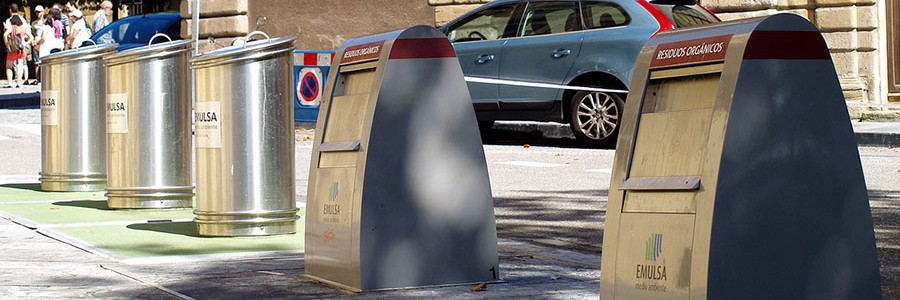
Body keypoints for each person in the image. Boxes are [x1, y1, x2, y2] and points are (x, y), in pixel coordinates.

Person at [4, 6, 31, 88]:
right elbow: (31, 37)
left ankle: (10, 83)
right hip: (21, 48)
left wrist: (7, 44)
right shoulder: (23, 27)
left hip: (12, 48)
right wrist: (25, 44)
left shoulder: (11, 26)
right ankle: (19, 82)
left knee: (9, 66)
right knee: (20, 64)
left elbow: (5, 34)